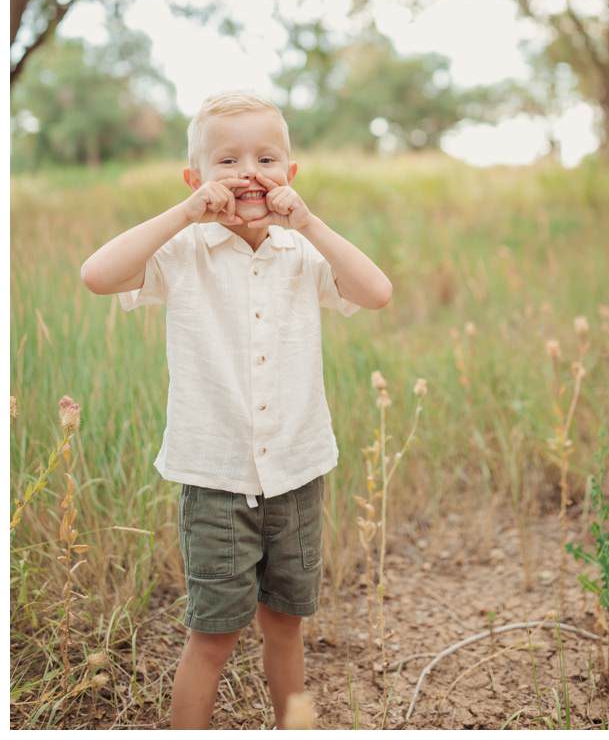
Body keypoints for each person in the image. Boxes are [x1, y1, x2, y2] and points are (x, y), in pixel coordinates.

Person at [80, 89, 393, 728]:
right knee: (214, 636)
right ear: (196, 180)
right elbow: (97, 274)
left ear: (290, 176)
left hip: (297, 475)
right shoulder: (182, 253)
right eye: (226, 162)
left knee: (285, 624)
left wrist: (309, 223)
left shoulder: (303, 252)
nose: (249, 171)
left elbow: (377, 292)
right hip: (216, 479)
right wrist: (182, 215)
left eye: (266, 158)